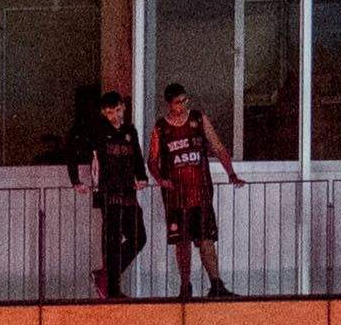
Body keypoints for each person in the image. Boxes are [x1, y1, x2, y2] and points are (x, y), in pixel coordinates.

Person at [152, 83, 238, 299]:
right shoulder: (161, 128)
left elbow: (218, 147)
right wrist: (161, 180)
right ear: (169, 104)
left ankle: (216, 283)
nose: (181, 106)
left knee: (206, 239)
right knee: (182, 242)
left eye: (184, 101)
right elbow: (152, 160)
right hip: (176, 197)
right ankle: (185, 286)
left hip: (200, 194)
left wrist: (231, 173)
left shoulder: (198, 119)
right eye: (177, 102)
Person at [76, 90, 150, 299]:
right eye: (110, 113)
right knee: (112, 242)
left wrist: (142, 177)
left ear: (123, 107)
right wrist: (76, 180)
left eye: (118, 110)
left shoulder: (130, 131)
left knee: (139, 238)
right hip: (108, 194)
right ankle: (113, 290)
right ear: (103, 113)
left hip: (128, 192)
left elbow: (137, 156)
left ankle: (106, 275)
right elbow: (74, 146)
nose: (115, 116)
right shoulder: (97, 132)